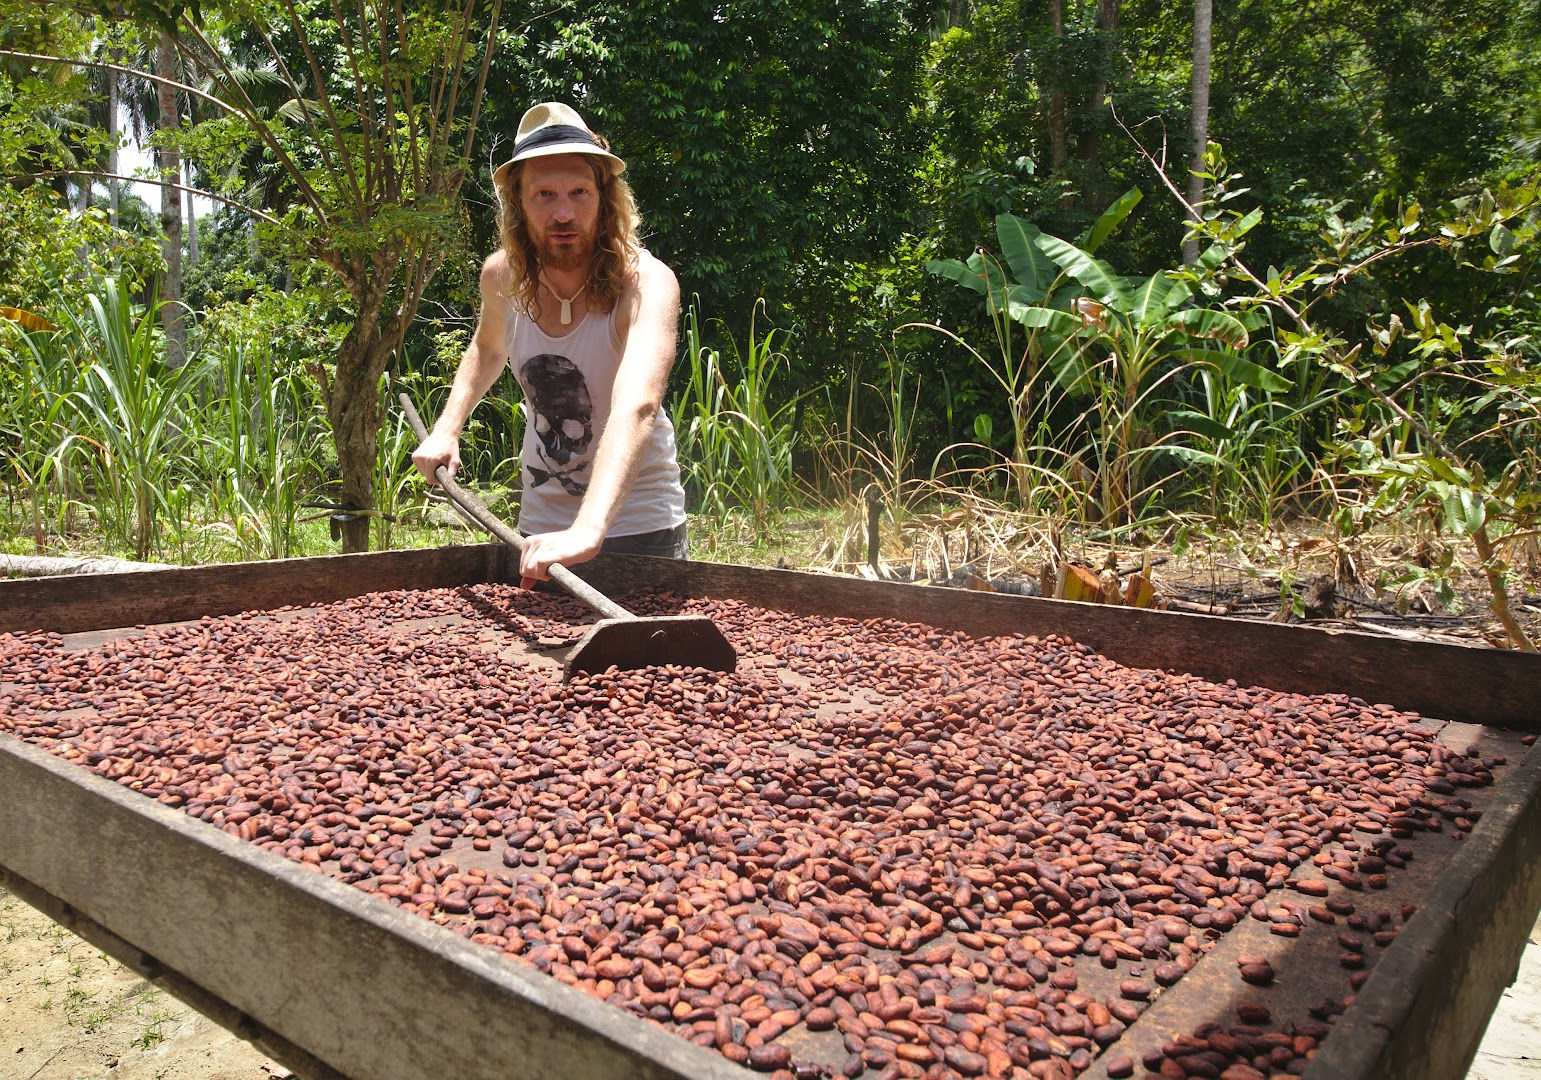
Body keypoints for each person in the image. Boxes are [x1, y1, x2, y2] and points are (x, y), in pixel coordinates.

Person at [412, 102, 689, 584]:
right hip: (539, 530)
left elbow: (637, 406)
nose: (563, 212)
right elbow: (488, 348)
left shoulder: (647, 283)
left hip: (641, 528)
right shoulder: (502, 276)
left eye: (579, 192)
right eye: (544, 194)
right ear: (518, 202)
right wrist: (447, 428)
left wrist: (587, 529)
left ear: (605, 198)